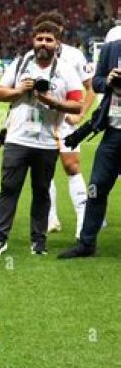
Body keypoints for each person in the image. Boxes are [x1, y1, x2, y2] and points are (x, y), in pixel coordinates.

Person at [0, 21, 83, 257]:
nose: (43, 44)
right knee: (8, 189)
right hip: (17, 139)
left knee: (41, 192)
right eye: (40, 39)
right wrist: (20, 90)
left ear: (57, 43)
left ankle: (39, 241)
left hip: (47, 141)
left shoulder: (66, 69)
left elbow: (77, 104)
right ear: (33, 40)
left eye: (49, 40)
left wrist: (52, 101)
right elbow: (0, 93)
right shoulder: (20, 63)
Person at [28, 13, 96, 239]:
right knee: (42, 170)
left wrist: (80, 114)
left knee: (71, 166)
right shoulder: (30, 57)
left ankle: (83, 222)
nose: (44, 40)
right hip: (39, 122)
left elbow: (91, 88)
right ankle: (51, 219)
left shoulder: (74, 55)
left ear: (60, 32)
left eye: (51, 33)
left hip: (65, 121)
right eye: (40, 33)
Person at [58, 33, 121, 258]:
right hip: (113, 133)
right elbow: (96, 83)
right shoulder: (111, 49)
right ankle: (86, 243)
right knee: (95, 187)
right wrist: (109, 81)